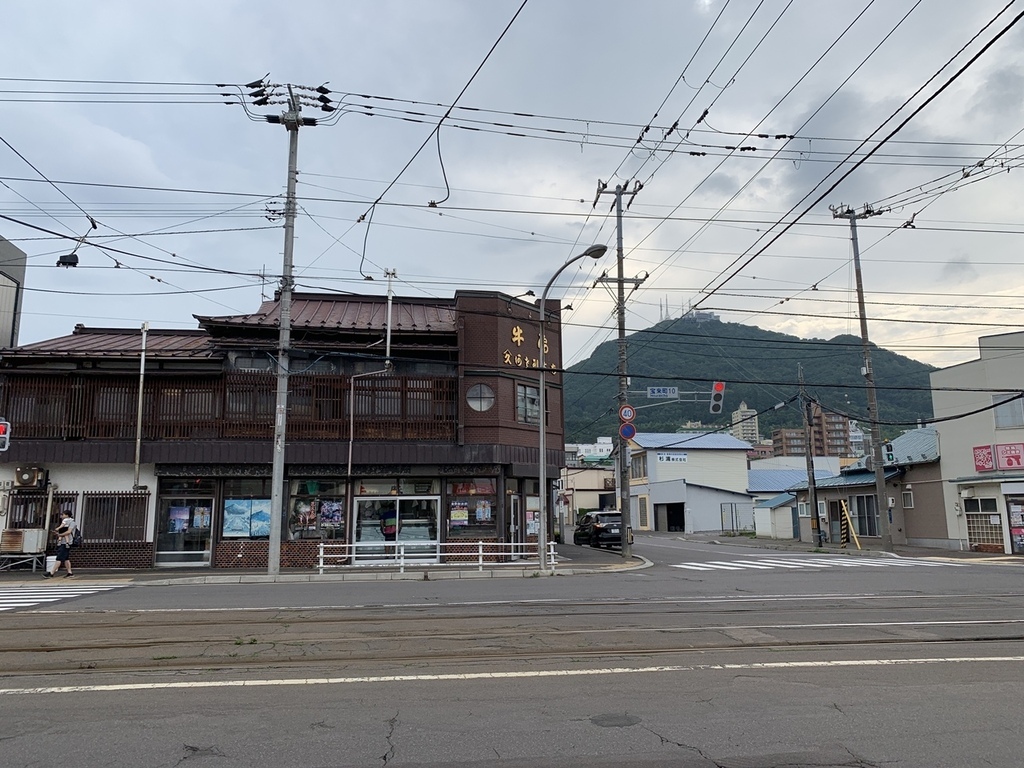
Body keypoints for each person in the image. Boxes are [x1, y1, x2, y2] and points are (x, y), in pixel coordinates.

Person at [44, 510, 76, 578]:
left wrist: (59, 535)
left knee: (59, 558)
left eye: (63, 514)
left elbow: (69, 532)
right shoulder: (65, 523)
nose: (62, 516)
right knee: (66, 558)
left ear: (67, 515)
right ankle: (70, 573)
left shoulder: (71, 523)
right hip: (64, 542)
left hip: (66, 543)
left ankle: (51, 573)